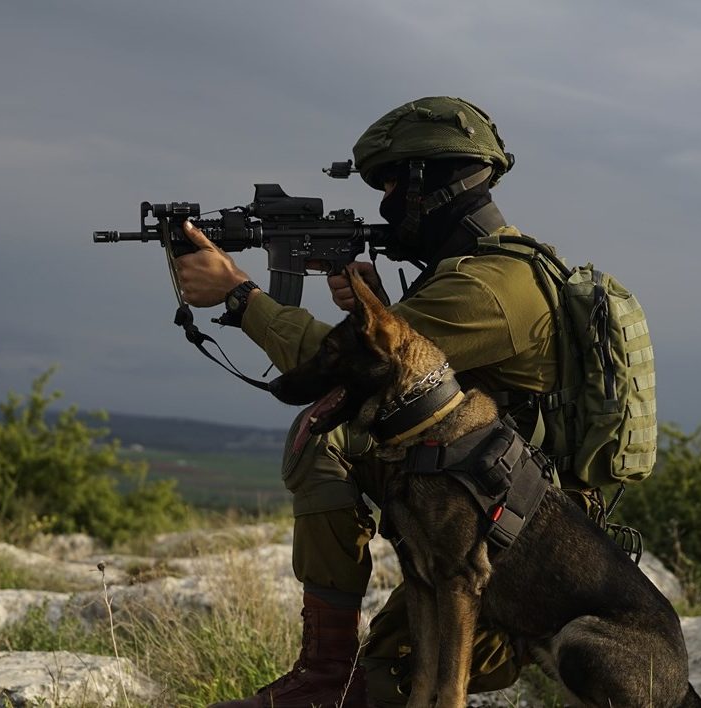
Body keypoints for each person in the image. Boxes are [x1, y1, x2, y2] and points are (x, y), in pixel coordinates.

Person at [176, 97, 559, 707]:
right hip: (486, 502)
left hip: (515, 546)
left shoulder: (484, 289)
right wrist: (375, 312)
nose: (382, 202)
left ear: (428, 186)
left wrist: (238, 294)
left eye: (389, 183)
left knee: (323, 435)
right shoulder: (484, 270)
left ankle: (328, 678)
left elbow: (336, 370)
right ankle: (327, 670)